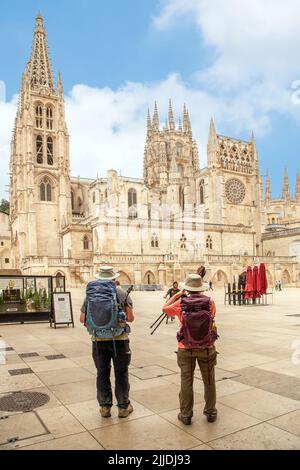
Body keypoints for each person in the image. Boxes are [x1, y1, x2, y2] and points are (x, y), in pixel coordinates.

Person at [163, 274, 218, 425]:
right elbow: (211, 319)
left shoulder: (181, 303)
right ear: (201, 288)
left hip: (185, 347)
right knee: (209, 380)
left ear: (187, 288)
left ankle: (186, 414)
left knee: (186, 381)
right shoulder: (210, 303)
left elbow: (165, 308)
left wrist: (179, 295)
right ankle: (211, 412)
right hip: (207, 347)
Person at [80, 266, 135, 419]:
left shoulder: (90, 295)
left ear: (99, 278)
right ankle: (123, 407)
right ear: (113, 278)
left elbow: (82, 319)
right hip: (119, 340)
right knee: (121, 373)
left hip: (98, 340)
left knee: (102, 373)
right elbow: (130, 318)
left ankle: (105, 407)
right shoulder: (121, 292)